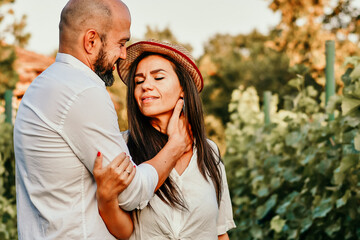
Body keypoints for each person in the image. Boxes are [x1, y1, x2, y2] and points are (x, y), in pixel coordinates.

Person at [13, 0, 191, 239]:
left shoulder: (41, 87)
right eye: (120, 43)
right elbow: (131, 192)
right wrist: (174, 147)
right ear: (91, 41)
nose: (123, 54)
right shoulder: (83, 91)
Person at [94, 40, 236, 239]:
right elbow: (125, 232)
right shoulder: (122, 146)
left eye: (158, 77)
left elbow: (220, 233)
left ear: (183, 88)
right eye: (139, 81)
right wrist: (106, 199)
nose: (146, 86)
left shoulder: (208, 151)